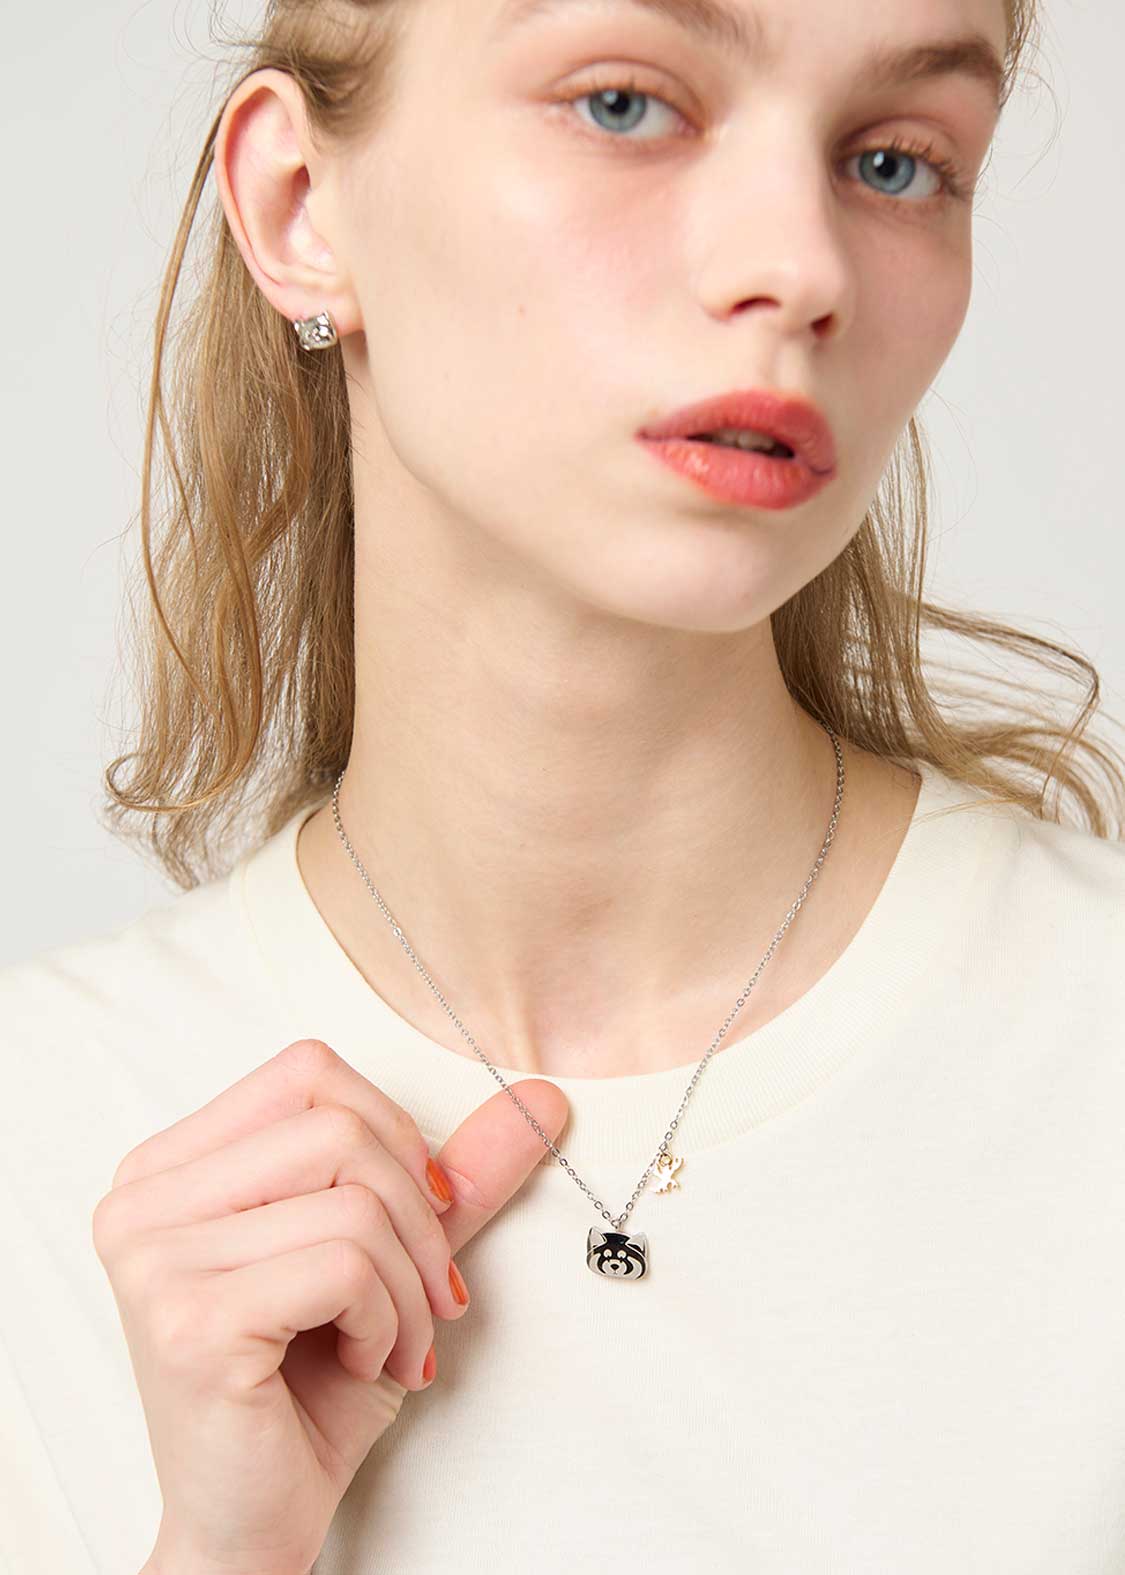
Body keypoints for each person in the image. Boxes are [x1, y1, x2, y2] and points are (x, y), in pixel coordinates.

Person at [3, 0, 1124, 1569]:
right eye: (622, 104)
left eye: (892, 161)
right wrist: (222, 1553)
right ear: (300, 206)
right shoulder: (40, 1139)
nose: (799, 268)